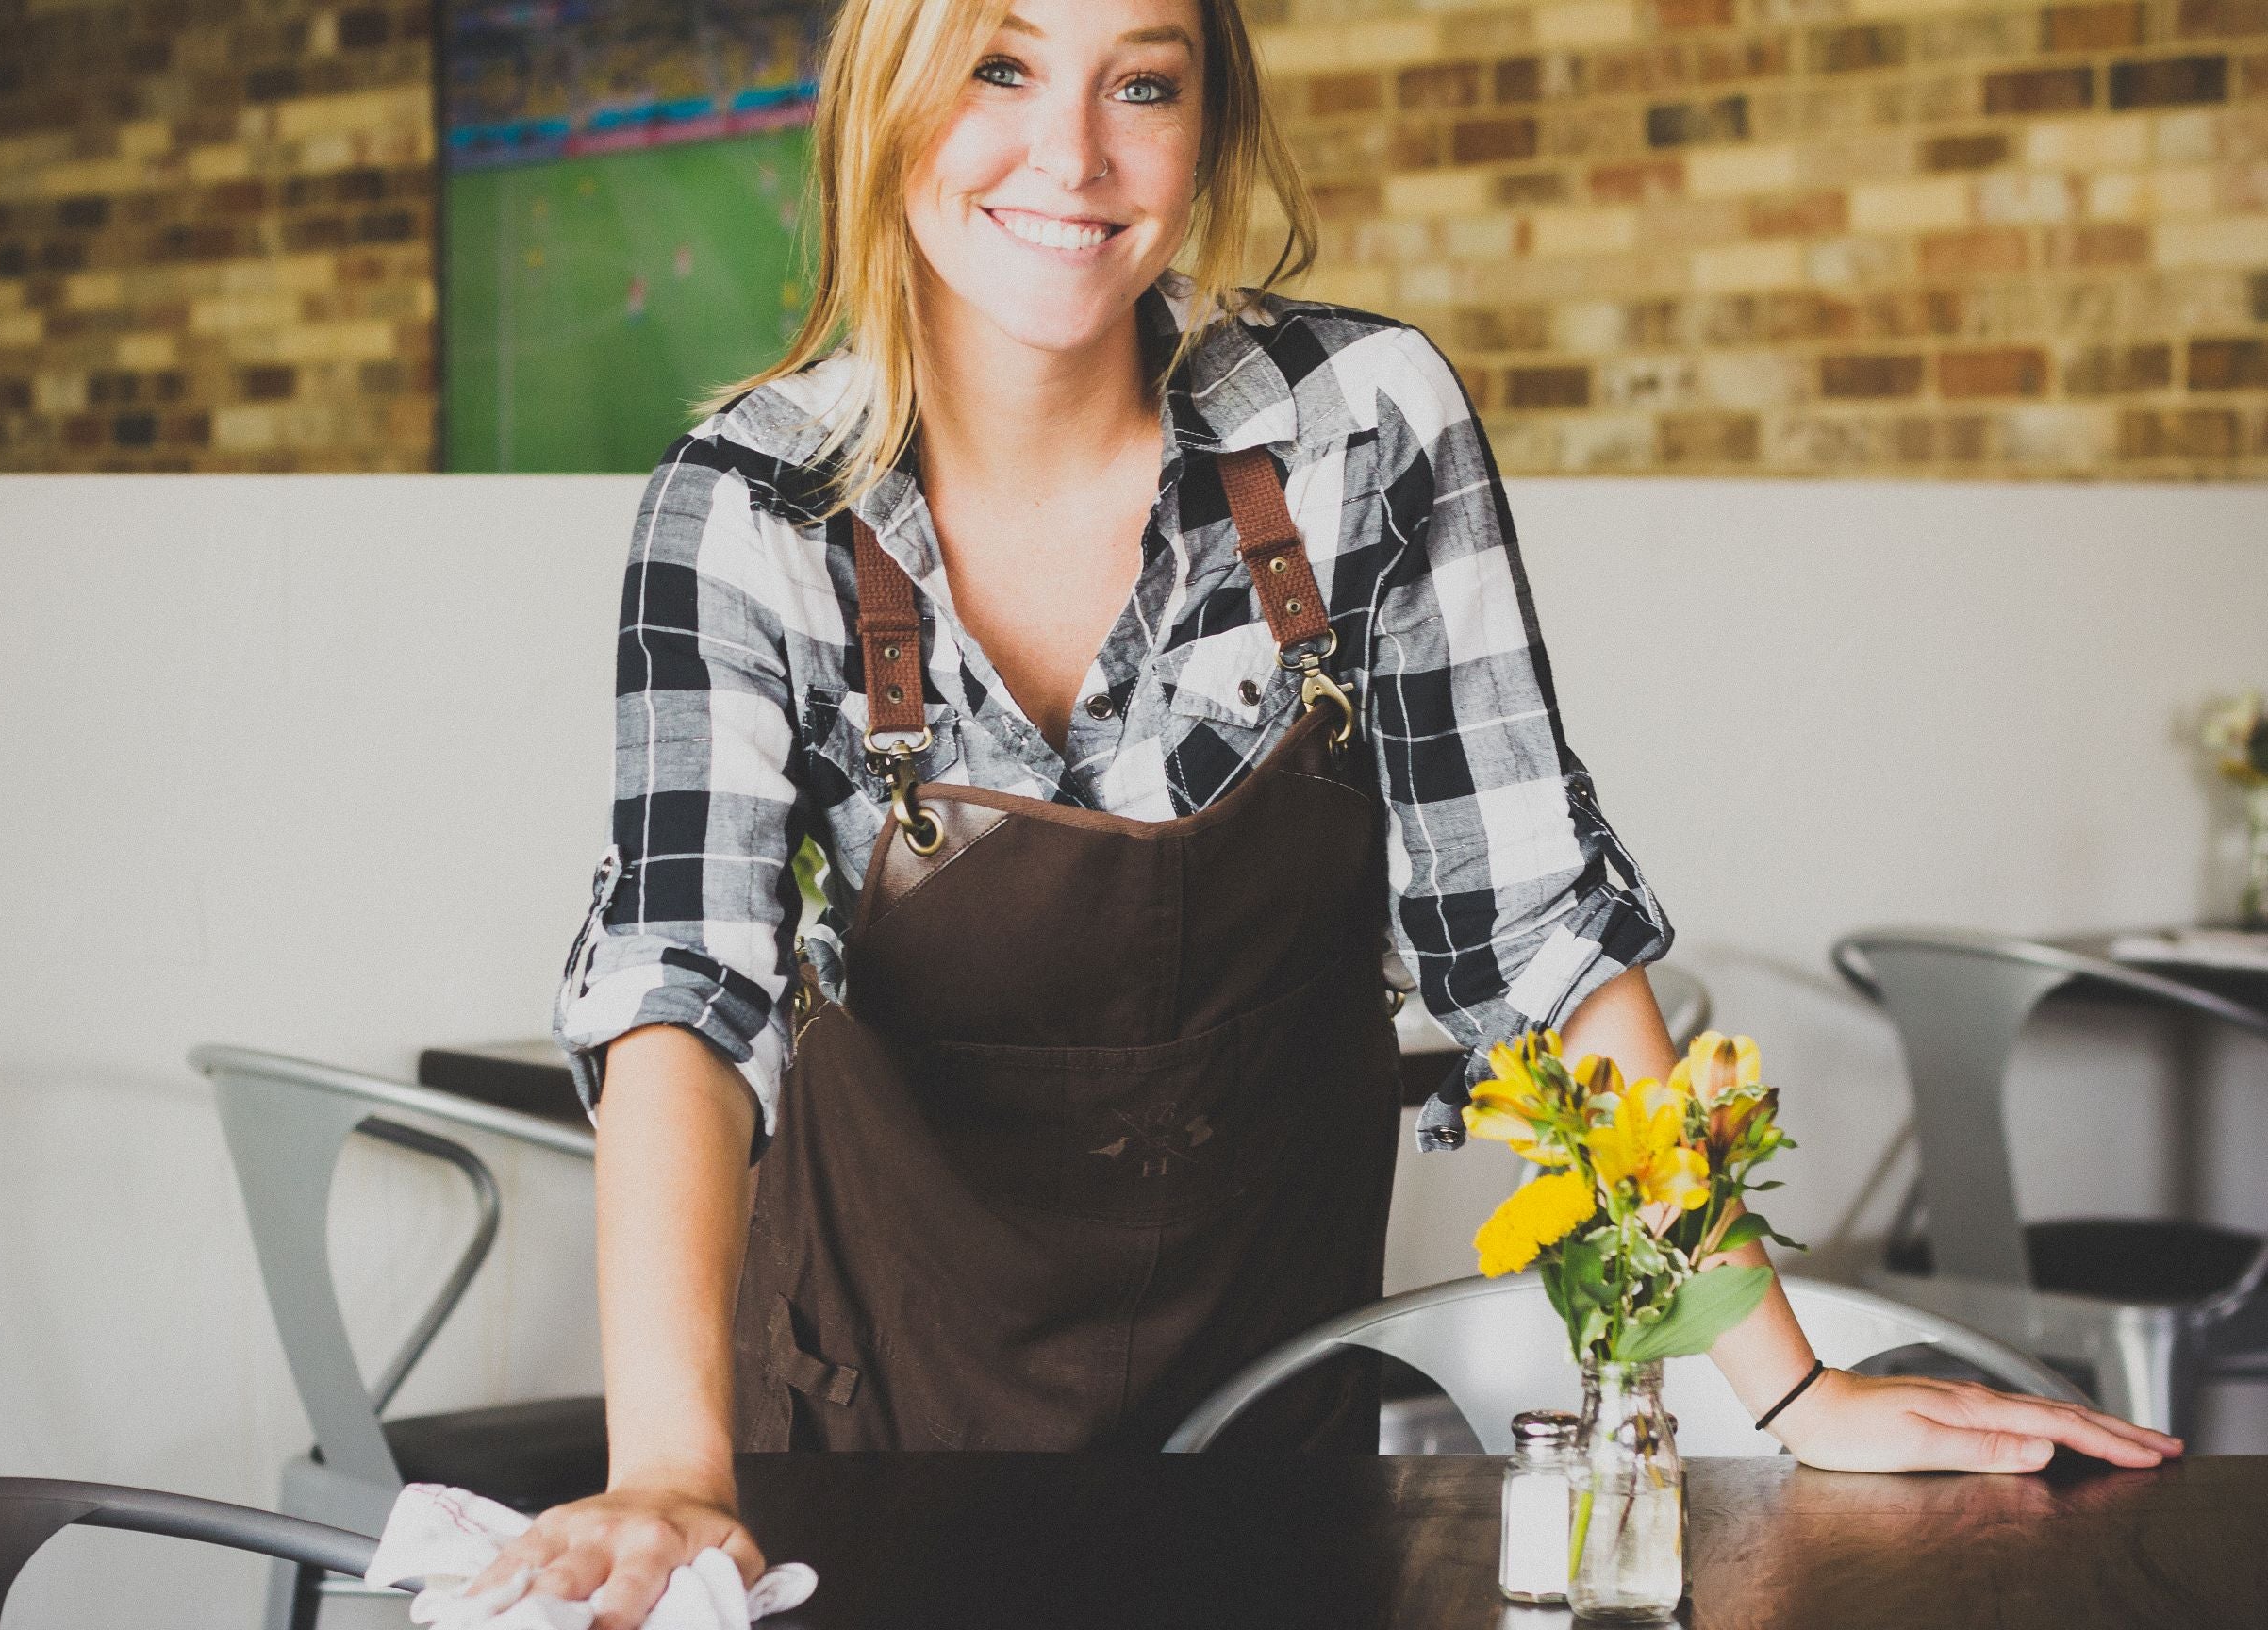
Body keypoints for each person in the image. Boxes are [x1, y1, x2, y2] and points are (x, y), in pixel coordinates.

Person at [486, 0, 2184, 1621]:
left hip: (1270, 1454)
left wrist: (1786, 1378)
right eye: (998, 70)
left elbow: (1528, 925)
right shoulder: (746, 513)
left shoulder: (1361, 431)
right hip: (864, 1464)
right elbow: (680, 996)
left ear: (1208, 121)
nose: (1071, 154)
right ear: (879, 103)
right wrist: (670, 1468)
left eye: (1141, 85)